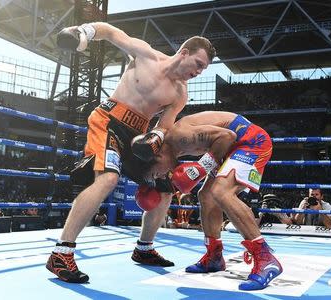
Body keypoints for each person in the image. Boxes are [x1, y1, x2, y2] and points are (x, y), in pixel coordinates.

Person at [46, 21, 215, 283]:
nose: (199, 72)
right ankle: (62, 252)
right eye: (199, 64)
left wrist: (157, 138)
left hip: (137, 136)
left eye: (203, 69)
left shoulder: (180, 93)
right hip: (108, 122)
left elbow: (165, 124)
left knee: (165, 187)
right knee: (108, 178)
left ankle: (144, 248)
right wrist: (85, 32)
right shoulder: (146, 55)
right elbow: (112, 32)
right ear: (184, 52)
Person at [143, 111, 282, 291]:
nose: (162, 176)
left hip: (250, 141)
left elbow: (227, 135)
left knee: (221, 191)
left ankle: (265, 258)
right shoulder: (176, 144)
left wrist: (202, 167)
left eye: (156, 172)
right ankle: (214, 256)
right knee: (206, 196)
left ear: (159, 156)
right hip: (231, 148)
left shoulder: (180, 137)